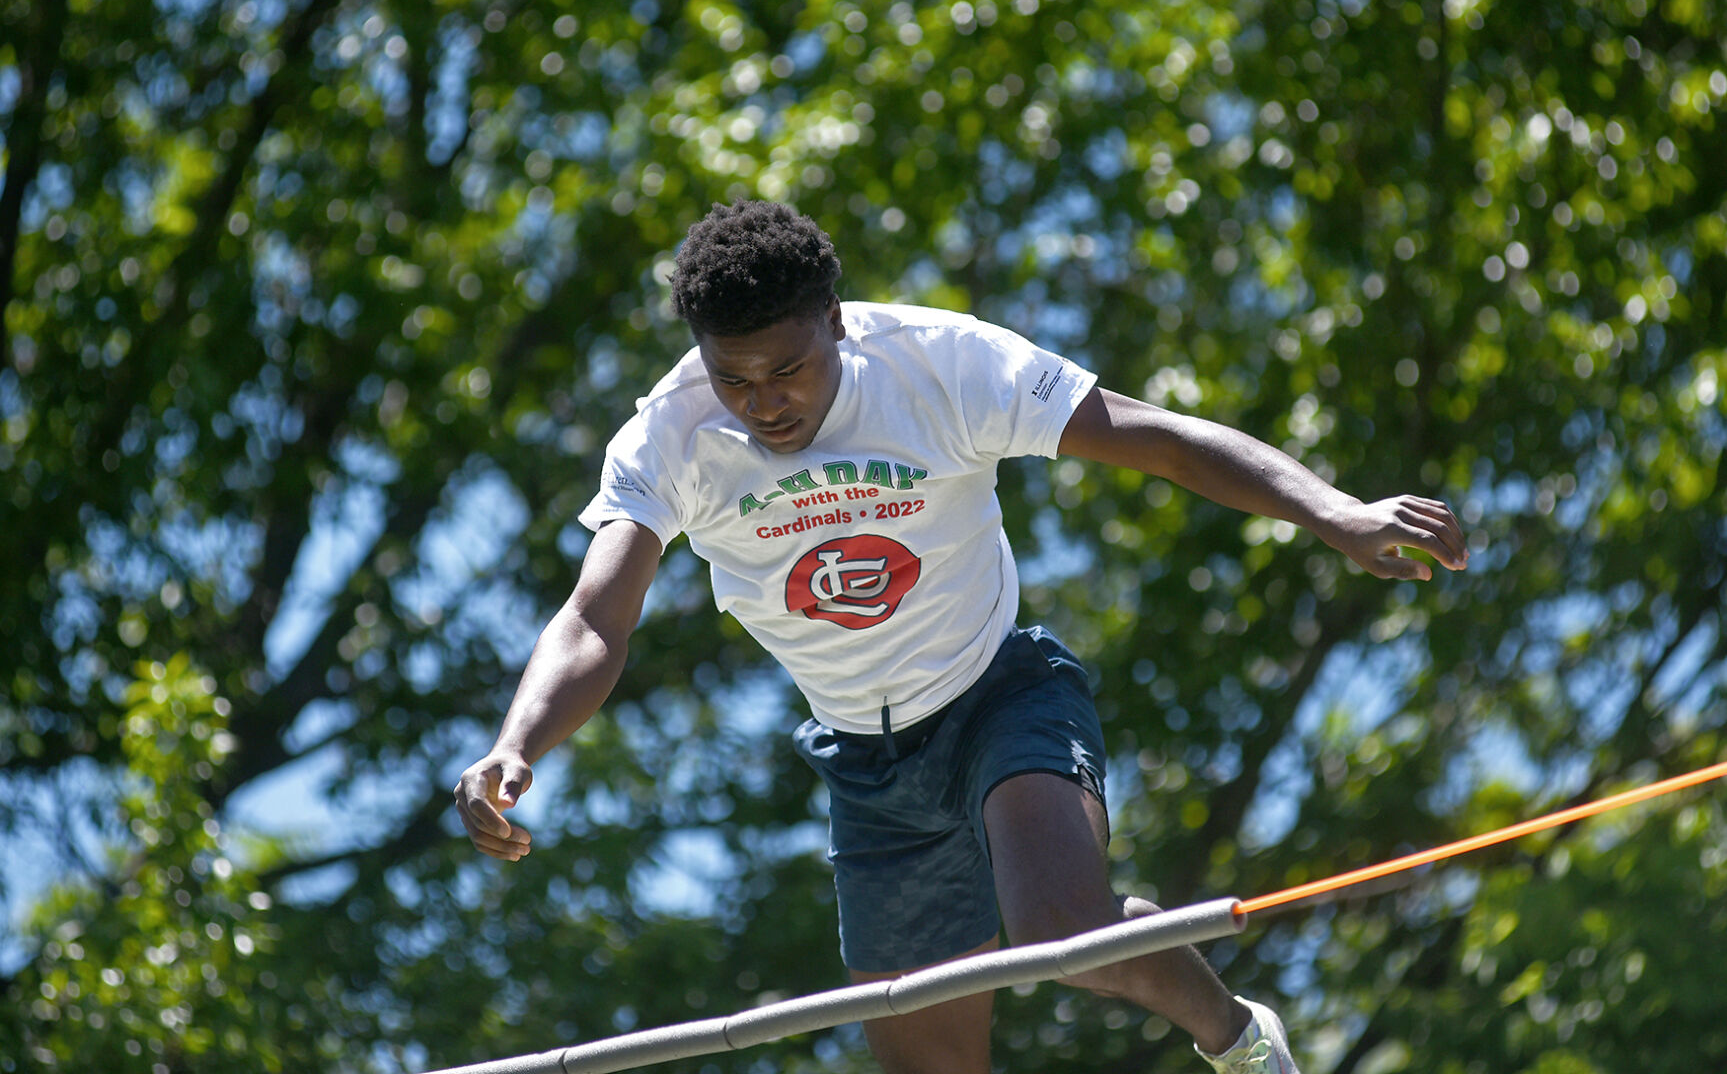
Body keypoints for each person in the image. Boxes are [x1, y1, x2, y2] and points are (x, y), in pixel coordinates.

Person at [453, 200, 1469, 1074]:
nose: (764, 404)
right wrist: (515, 744)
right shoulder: (667, 435)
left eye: (790, 371)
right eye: (736, 380)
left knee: (1057, 937)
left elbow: (1152, 437)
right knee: (921, 1053)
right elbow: (596, 615)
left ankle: (1234, 1035)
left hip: (999, 694)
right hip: (864, 762)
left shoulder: (940, 365)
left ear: (837, 324)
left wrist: (1333, 510)